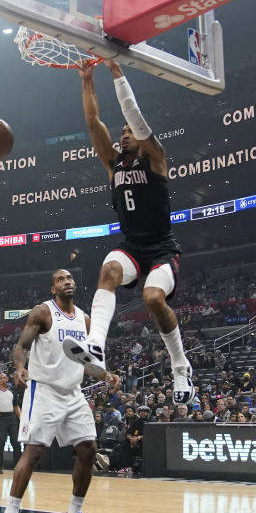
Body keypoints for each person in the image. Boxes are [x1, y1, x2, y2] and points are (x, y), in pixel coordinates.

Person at [63, 59, 194, 407]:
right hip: (133, 246)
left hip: (162, 248)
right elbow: (93, 122)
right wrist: (87, 81)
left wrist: (117, 74)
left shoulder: (155, 157)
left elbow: (135, 116)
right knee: (107, 271)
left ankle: (180, 365)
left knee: (153, 298)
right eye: (121, 131)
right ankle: (95, 347)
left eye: (129, 130)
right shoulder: (113, 163)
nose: (124, 132)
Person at [0, 270, 120, 513]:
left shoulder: (85, 320)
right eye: (61, 279)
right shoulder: (43, 312)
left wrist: (106, 374)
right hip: (44, 390)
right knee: (34, 451)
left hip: (73, 392)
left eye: (71, 278)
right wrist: (19, 367)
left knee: (88, 449)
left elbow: (88, 361)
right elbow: (22, 345)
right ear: (53, 288)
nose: (68, 282)